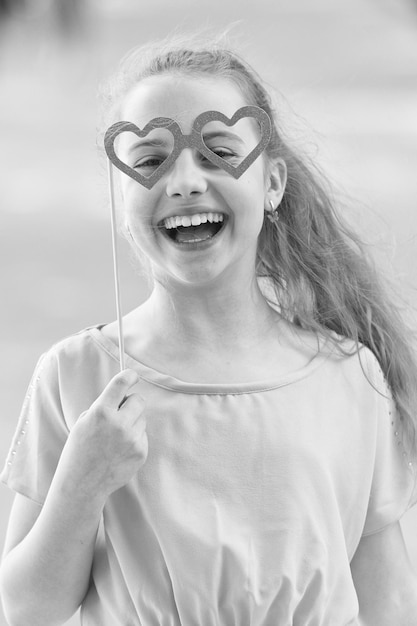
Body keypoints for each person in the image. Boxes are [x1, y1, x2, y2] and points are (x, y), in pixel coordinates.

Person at [1, 34, 417, 626]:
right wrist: (80, 485)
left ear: (271, 184)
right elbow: (25, 610)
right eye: (149, 161)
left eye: (219, 152)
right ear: (122, 197)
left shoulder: (348, 377)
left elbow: (390, 602)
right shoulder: (77, 377)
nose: (186, 181)